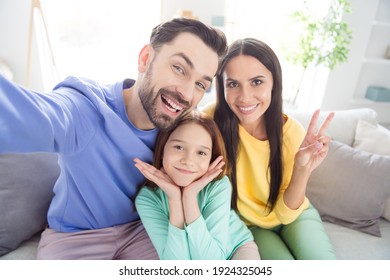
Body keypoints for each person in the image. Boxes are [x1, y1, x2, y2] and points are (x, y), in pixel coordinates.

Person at [0, 17, 227, 259]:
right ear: (145, 59)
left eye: (201, 84)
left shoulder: (183, 128)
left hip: (145, 230)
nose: (187, 93)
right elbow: (29, 114)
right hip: (76, 237)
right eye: (179, 69)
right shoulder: (86, 108)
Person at [203, 38, 336, 260]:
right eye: (233, 84)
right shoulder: (209, 120)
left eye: (256, 82)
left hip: (295, 215)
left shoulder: (291, 133)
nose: (245, 97)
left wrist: (302, 169)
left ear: (274, 83)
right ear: (221, 87)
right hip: (251, 226)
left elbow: (286, 214)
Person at [134, 110, 260, 260]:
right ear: (162, 150)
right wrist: (175, 198)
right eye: (179, 147)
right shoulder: (147, 199)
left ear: (210, 159)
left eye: (201, 153)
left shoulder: (219, 185)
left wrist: (189, 197)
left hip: (236, 249)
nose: (188, 160)